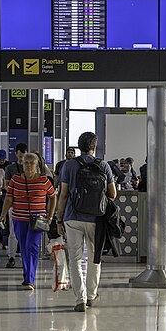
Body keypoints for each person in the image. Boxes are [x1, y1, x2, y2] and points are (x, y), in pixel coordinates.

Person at [56, 131, 117, 312]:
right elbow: (113, 194)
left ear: (79, 147)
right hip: (96, 219)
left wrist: (59, 219)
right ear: (94, 147)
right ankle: (91, 296)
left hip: (72, 217)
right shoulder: (103, 165)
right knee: (94, 257)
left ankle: (79, 300)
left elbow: (63, 194)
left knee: (74, 259)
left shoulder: (69, 165)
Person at [0, 152, 55, 292]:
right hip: (19, 218)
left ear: (37, 165)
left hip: (38, 220)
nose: (29, 166)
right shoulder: (15, 180)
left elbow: (53, 196)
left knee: (32, 246)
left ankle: (30, 279)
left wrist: (50, 215)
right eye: (26, 163)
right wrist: (3, 214)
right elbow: (9, 198)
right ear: (22, 164)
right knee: (24, 247)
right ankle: (27, 276)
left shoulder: (44, 180)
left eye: (32, 163)